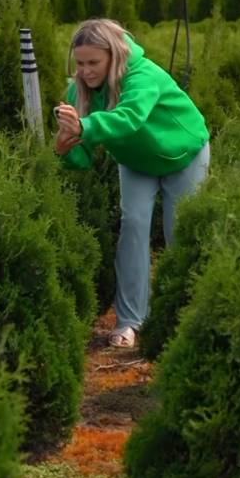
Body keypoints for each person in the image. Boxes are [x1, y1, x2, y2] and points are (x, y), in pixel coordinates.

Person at [54, 18, 210, 348]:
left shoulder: (143, 75)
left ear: (115, 56)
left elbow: (131, 118)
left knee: (178, 230)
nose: (85, 71)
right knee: (134, 224)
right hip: (137, 161)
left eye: (93, 62)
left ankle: (188, 315)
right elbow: (82, 157)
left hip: (183, 153)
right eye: (80, 63)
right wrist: (64, 148)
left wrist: (84, 127)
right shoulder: (79, 90)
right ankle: (130, 322)